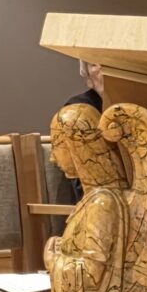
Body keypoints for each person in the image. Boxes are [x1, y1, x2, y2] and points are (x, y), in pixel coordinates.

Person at [51, 61, 105, 204]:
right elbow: (84, 183)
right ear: (88, 78)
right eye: (94, 65)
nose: (102, 69)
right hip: (90, 203)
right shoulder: (78, 110)